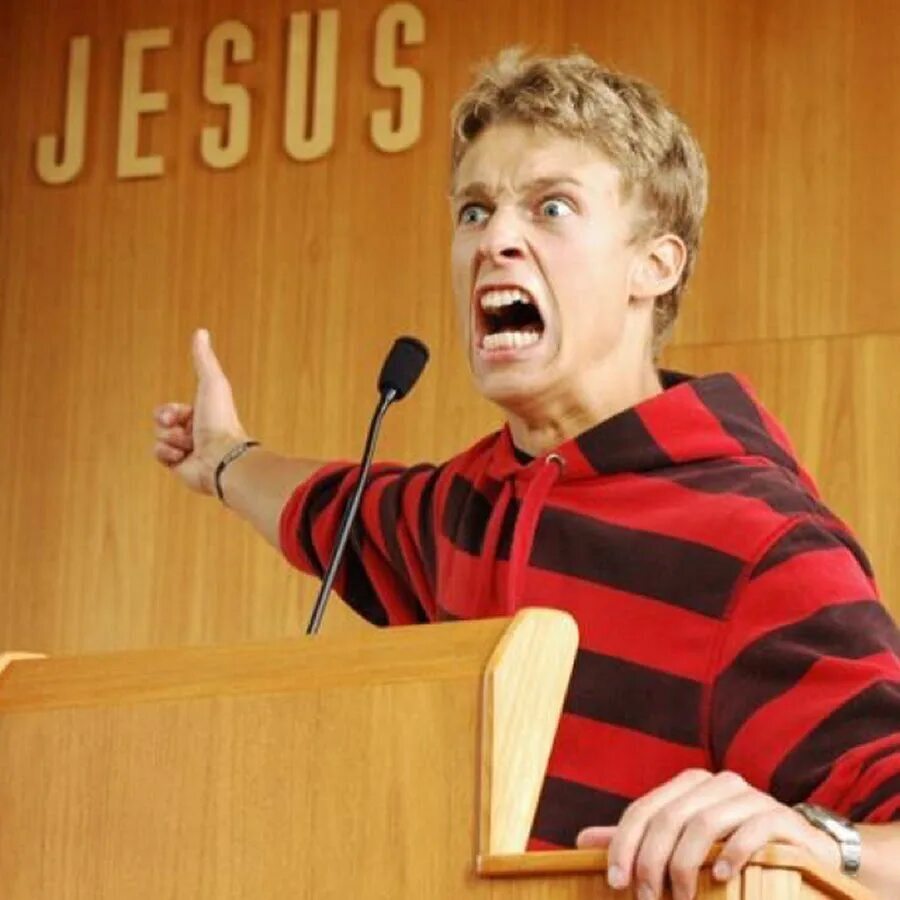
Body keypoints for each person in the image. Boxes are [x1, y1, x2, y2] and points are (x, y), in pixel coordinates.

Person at [154, 51, 900, 898]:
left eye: (552, 207)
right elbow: (334, 511)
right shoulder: (466, 507)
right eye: (475, 210)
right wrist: (225, 459)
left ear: (655, 265)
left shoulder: (763, 545)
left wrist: (825, 842)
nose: (495, 240)